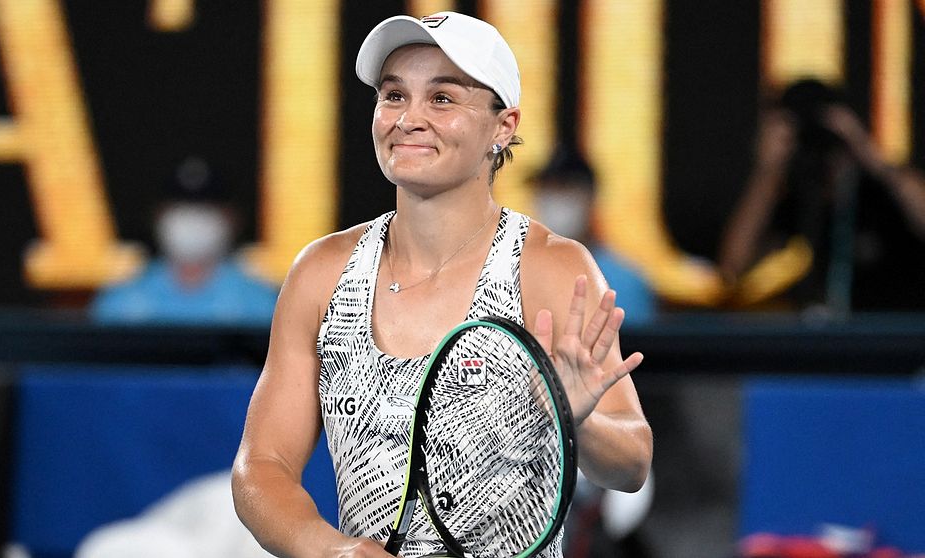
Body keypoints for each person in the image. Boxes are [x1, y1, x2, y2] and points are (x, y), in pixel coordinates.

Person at [232, 12, 652, 558]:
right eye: (393, 95)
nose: (408, 119)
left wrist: (577, 421)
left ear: (503, 126)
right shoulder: (321, 272)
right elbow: (261, 467)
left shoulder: (552, 268)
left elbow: (633, 463)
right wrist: (331, 550)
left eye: (443, 99)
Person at [718, 78, 925, 314]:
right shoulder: (802, 197)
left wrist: (872, 158)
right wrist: (767, 172)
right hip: (839, 341)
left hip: (904, 335)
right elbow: (732, 267)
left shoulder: (883, 191)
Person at [90, 157, 279, 327]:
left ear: (232, 218)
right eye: (180, 207)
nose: (192, 218)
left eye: (206, 208)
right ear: (157, 216)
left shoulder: (262, 302)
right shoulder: (119, 301)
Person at [532, 146, 657, 326]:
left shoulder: (626, 283)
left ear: (590, 196)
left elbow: (637, 349)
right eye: (546, 189)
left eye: (564, 188)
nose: (554, 201)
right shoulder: (516, 277)